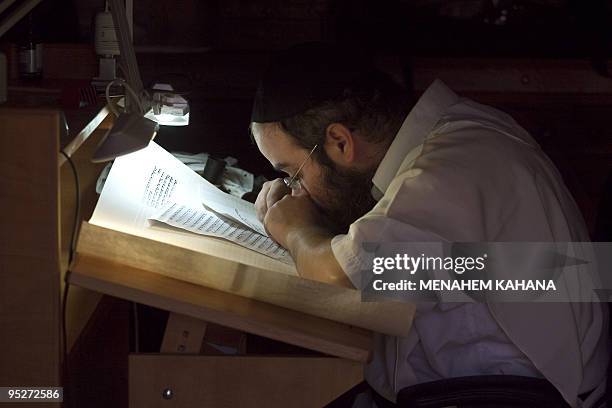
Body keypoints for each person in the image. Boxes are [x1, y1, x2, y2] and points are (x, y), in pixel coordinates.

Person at [250, 42, 609, 407]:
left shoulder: (448, 170)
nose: (297, 190)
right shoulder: (458, 130)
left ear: (340, 141)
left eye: (293, 173)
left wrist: (294, 230)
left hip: (509, 399)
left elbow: (337, 280)